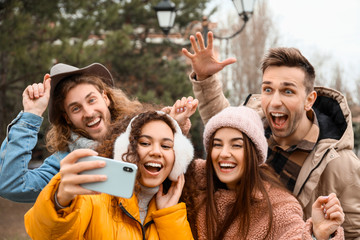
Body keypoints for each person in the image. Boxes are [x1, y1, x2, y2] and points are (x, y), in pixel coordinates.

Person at [182, 31, 360, 239]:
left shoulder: (343, 165)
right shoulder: (253, 125)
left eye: (288, 91)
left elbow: (354, 233)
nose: (274, 101)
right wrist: (205, 78)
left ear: (309, 99)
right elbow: (224, 129)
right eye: (268, 89)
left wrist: (321, 234)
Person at [24, 110, 195, 239]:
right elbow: (45, 235)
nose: (156, 152)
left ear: (178, 158)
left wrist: (168, 216)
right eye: (144, 142)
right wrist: (59, 201)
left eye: (166, 146)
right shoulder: (91, 194)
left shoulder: (177, 210)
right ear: (125, 149)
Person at [181, 106, 344, 240]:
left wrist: (319, 235)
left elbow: (295, 235)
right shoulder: (193, 178)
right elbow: (162, 168)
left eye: (236, 145)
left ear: (254, 153)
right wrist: (173, 128)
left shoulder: (278, 207)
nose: (224, 153)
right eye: (217, 145)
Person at [0, 63, 143, 203]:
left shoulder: (145, 137)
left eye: (91, 100)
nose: (88, 113)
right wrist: (32, 114)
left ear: (105, 98)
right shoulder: (64, 165)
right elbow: (12, 185)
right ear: (67, 118)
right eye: (76, 108)